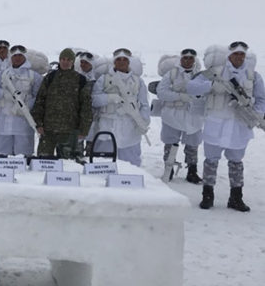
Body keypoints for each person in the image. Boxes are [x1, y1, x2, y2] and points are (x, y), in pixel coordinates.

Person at [187, 41, 265, 212]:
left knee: (236, 163)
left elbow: (261, 99)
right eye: (235, 54)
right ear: (229, 55)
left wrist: (257, 113)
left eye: (242, 55)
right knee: (211, 162)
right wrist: (211, 86)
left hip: (239, 126)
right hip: (216, 125)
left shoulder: (253, 76)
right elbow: (191, 87)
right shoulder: (215, 72)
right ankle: (208, 196)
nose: (239, 57)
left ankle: (236, 198)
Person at [91, 48, 150, 166]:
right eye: (118, 59)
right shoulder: (104, 79)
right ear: (114, 62)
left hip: (130, 126)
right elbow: (94, 100)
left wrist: (144, 121)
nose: (121, 62)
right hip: (107, 126)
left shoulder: (138, 81)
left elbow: (144, 104)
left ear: (129, 62)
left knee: (131, 162)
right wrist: (109, 98)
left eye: (125, 59)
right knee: (102, 162)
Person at [32, 48, 93, 158]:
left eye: (68, 59)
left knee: (68, 165)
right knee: (43, 163)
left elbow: (86, 107)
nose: (65, 62)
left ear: (73, 62)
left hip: (70, 132)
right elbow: (40, 101)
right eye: (63, 59)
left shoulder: (80, 80)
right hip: (48, 130)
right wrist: (38, 123)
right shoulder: (50, 78)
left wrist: (84, 129)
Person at [156, 48, 206, 183]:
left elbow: (207, 92)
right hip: (172, 115)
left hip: (193, 115)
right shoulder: (171, 74)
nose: (188, 61)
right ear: (181, 59)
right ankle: (169, 168)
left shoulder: (201, 75)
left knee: (193, 144)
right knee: (170, 142)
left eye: (191, 58)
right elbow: (161, 92)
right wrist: (179, 96)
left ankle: (192, 170)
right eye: (185, 58)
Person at [0, 44, 43, 157]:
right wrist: (4, 94)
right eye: (15, 55)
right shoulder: (3, 74)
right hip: (4, 119)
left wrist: (27, 105)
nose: (17, 58)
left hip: (24, 120)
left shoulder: (34, 76)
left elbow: (39, 96)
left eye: (20, 55)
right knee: (1, 153)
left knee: (23, 153)